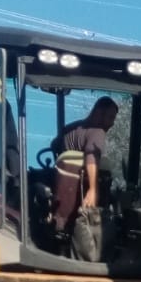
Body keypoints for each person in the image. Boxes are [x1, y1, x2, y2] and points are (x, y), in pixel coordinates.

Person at [51, 96, 118, 233]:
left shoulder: (70, 129)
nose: (112, 123)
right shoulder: (98, 132)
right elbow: (91, 158)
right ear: (99, 112)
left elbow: (54, 146)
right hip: (80, 206)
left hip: (59, 201)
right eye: (110, 117)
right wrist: (93, 190)